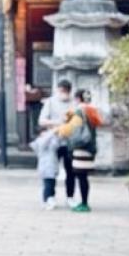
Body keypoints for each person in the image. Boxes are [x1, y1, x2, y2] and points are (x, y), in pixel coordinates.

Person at [54, 89, 102, 213]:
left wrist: (59, 130)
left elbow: (69, 129)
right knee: (84, 176)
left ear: (78, 99)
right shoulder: (93, 111)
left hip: (81, 147)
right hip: (90, 147)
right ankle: (85, 202)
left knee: (81, 177)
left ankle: (84, 203)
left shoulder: (78, 111)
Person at [39, 79, 76, 207]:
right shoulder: (50, 102)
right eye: (61, 91)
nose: (63, 94)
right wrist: (57, 122)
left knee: (71, 170)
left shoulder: (74, 103)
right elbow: (42, 121)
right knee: (50, 170)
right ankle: (49, 197)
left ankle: (70, 197)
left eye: (65, 91)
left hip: (69, 141)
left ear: (69, 91)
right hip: (53, 140)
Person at [30, 126, 61, 210]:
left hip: (52, 166)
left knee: (52, 184)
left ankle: (51, 198)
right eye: (44, 132)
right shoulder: (39, 142)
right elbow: (44, 141)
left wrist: (55, 135)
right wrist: (52, 132)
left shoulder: (50, 141)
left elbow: (56, 145)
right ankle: (47, 200)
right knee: (48, 185)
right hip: (45, 167)